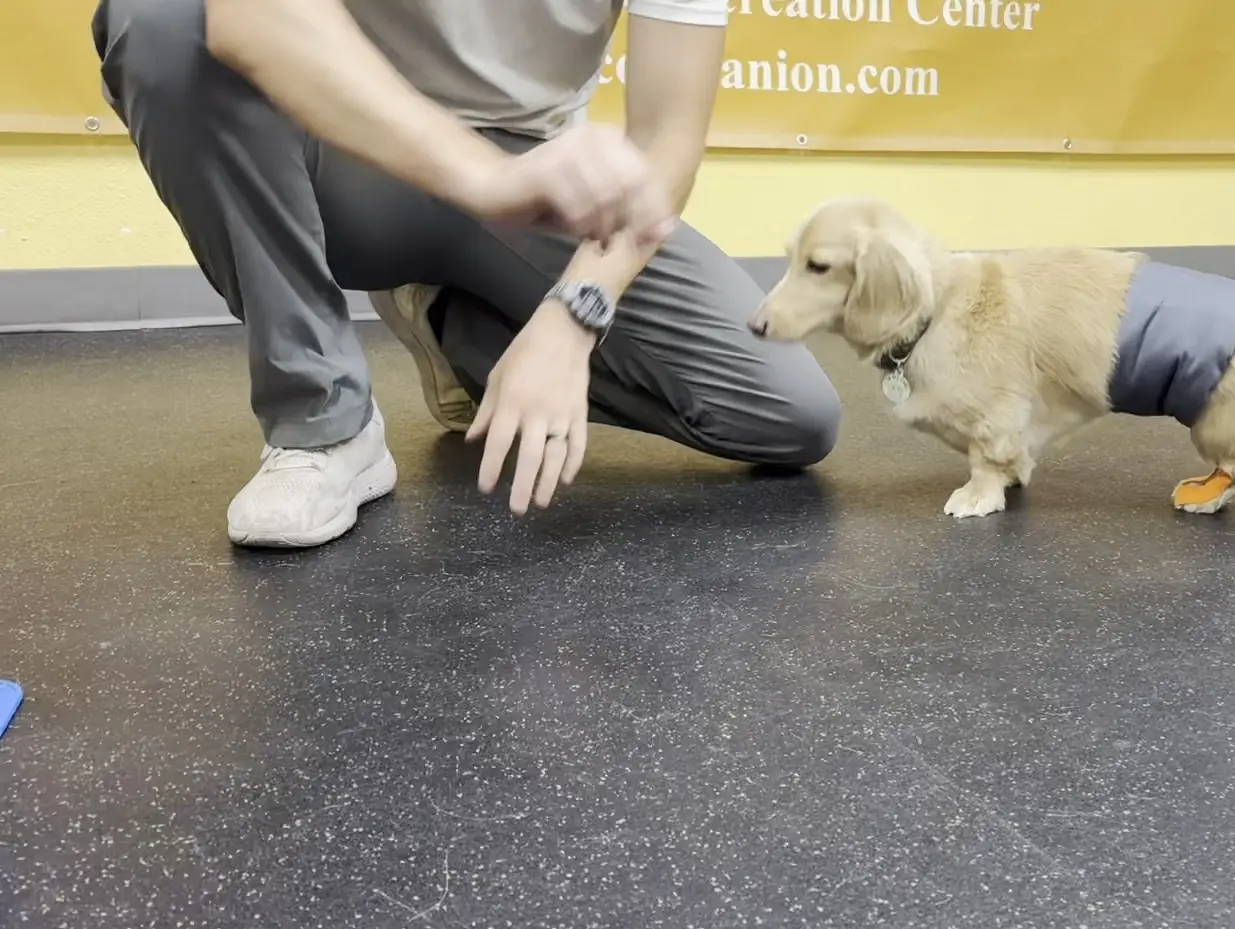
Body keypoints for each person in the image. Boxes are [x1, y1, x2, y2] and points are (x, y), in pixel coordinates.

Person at [91, 0, 843, 548]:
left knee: (789, 416)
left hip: (530, 180)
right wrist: (479, 178)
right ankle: (324, 424)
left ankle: (454, 325)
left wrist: (573, 317)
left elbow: (667, 141)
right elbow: (247, 17)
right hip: (343, 155)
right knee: (160, 19)